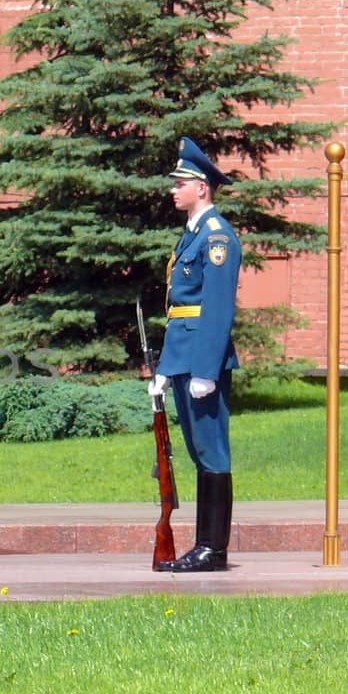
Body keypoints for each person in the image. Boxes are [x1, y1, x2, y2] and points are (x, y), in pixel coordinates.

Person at [150, 137, 240, 573]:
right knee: (198, 453)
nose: (173, 188)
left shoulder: (217, 237)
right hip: (184, 358)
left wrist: (205, 370)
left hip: (204, 363)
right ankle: (205, 547)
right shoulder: (192, 236)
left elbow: (217, 310)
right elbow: (180, 310)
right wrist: (167, 370)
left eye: (180, 182)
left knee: (212, 454)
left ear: (201, 187)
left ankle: (212, 549)